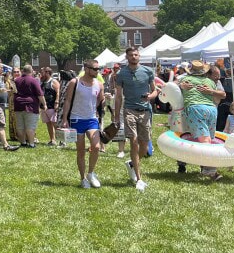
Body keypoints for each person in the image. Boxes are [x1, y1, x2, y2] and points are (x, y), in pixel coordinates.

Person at [113, 47, 157, 191]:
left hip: (145, 111)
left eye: (136, 54)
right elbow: (119, 95)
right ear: (127, 57)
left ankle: (133, 163)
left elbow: (155, 90)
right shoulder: (121, 74)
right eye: (131, 55)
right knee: (133, 140)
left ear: (139, 56)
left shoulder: (147, 71)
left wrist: (150, 97)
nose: (133, 57)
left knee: (144, 146)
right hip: (129, 110)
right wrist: (116, 115)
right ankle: (139, 179)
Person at [61, 60, 105, 189]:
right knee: (80, 152)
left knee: (96, 147)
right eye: (95, 69)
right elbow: (68, 101)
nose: (98, 71)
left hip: (91, 119)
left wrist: (101, 105)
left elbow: (100, 100)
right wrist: (64, 119)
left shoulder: (99, 84)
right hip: (76, 119)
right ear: (86, 68)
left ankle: (91, 173)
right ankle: (83, 178)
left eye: (99, 69)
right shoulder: (75, 83)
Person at [180, 61, 226, 181]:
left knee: (204, 141)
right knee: (209, 140)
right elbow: (222, 95)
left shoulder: (185, 79)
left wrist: (181, 86)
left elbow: (170, 86)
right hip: (211, 110)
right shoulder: (210, 81)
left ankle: (211, 171)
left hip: (195, 109)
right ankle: (208, 168)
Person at [13, 65, 46, 148]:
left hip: (18, 104)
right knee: (30, 126)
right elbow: (40, 94)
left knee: (20, 126)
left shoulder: (16, 80)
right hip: (30, 105)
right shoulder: (33, 80)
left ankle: (23, 142)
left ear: (23, 71)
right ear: (31, 71)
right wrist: (44, 104)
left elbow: (13, 91)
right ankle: (31, 144)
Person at [40, 68, 60, 146]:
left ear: (47, 72)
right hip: (44, 107)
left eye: (42, 72)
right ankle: (52, 139)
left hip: (52, 106)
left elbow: (58, 92)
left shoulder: (53, 81)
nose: (41, 74)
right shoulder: (43, 82)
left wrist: (57, 102)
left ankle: (61, 141)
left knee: (55, 124)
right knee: (48, 123)